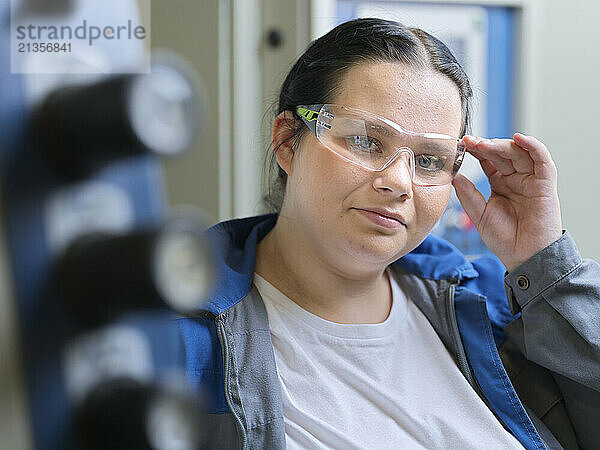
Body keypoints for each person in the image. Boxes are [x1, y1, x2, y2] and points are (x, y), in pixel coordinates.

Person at [178, 18, 600, 449]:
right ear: (288, 141)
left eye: (430, 160)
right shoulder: (182, 338)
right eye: (364, 140)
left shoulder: (490, 305)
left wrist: (544, 263)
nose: (398, 181)